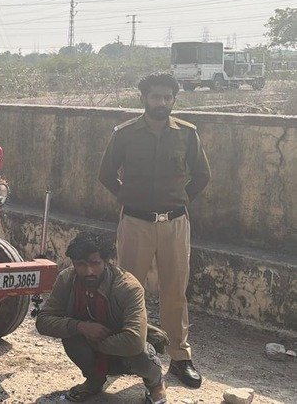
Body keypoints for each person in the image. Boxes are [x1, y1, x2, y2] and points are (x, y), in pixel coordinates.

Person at [98, 72, 211, 389]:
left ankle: (180, 358)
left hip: (175, 223)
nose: (161, 102)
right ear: (144, 98)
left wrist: (180, 198)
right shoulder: (126, 134)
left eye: (167, 97)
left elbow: (202, 175)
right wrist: (128, 197)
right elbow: (106, 173)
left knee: (176, 291)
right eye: (155, 96)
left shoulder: (187, 134)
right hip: (135, 223)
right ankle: (127, 354)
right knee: (129, 291)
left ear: (174, 100)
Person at [36, 234, 167, 403]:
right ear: (73, 263)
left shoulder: (128, 287)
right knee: (70, 335)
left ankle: (155, 384)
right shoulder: (67, 279)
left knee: (142, 354)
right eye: (81, 265)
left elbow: (134, 340)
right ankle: (95, 380)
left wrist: (94, 340)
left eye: (95, 263)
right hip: (92, 340)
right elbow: (43, 321)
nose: (89, 271)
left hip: (124, 348)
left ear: (106, 262)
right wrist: (81, 327)